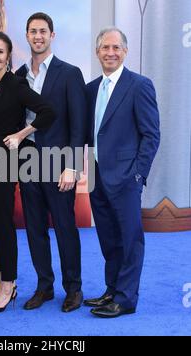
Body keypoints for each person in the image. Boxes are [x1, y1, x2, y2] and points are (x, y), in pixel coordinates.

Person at [0, 31, 55, 314]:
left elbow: (47, 112)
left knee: (2, 223)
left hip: (3, 162)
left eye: (0, 51)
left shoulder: (17, 85)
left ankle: (8, 284)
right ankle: (0, 281)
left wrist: (21, 134)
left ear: (8, 56)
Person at [85, 28, 160, 318]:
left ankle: (126, 299)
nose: (111, 52)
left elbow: (151, 134)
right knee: (108, 238)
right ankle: (112, 289)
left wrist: (139, 174)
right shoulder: (91, 89)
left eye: (116, 47)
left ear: (125, 51)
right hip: (97, 178)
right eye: (105, 47)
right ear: (97, 52)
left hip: (127, 178)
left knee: (130, 239)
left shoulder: (139, 85)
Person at [16, 13, 87, 313]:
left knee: (65, 226)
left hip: (60, 163)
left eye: (43, 31)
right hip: (27, 161)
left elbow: (78, 123)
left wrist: (73, 166)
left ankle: (73, 289)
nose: (38, 36)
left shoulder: (69, 73)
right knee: (34, 227)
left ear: (52, 35)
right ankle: (44, 287)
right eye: (32, 31)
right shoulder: (18, 76)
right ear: (27, 35)